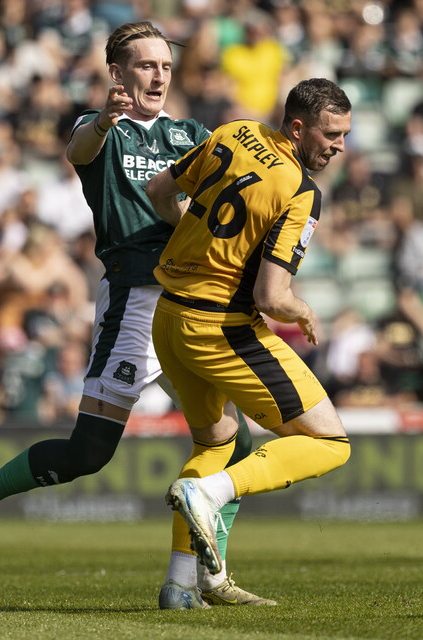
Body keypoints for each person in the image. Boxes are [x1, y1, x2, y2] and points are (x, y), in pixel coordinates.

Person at [0, 21, 272, 610]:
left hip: (195, 303)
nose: (158, 75)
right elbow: (77, 149)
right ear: (117, 73)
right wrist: (107, 120)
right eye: (145, 65)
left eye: (164, 66)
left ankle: (191, 581)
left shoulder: (191, 133)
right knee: (89, 452)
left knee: (229, 443)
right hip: (135, 304)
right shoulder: (99, 128)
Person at [144, 77, 352, 582]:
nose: (340, 146)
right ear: (298, 128)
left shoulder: (234, 132)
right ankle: (209, 494)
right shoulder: (301, 191)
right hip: (221, 328)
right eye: (331, 135)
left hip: (168, 317)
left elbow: (157, 191)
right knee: (330, 443)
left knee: (215, 445)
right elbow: (269, 298)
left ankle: (182, 584)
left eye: (345, 135)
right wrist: (300, 310)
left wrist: (194, 245)